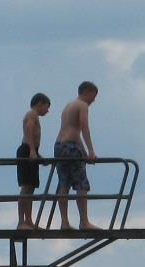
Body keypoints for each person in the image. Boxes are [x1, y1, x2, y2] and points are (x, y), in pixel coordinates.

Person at [54, 81, 101, 231]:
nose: (93, 101)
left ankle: (64, 222)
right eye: (93, 97)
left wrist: (84, 152)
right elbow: (84, 128)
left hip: (60, 146)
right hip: (71, 148)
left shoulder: (69, 106)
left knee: (64, 183)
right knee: (81, 184)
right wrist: (91, 151)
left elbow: (74, 132)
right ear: (87, 92)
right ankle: (84, 222)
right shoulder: (82, 105)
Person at [16, 93, 51, 230]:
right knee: (25, 188)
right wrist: (31, 150)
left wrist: (38, 155)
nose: (47, 111)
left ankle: (29, 220)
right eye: (47, 107)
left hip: (31, 150)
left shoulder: (33, 116)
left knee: (30, 188)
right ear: (40, 103)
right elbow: (29, 130)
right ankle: (21, 222)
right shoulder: (32, 114)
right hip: (26, 151)